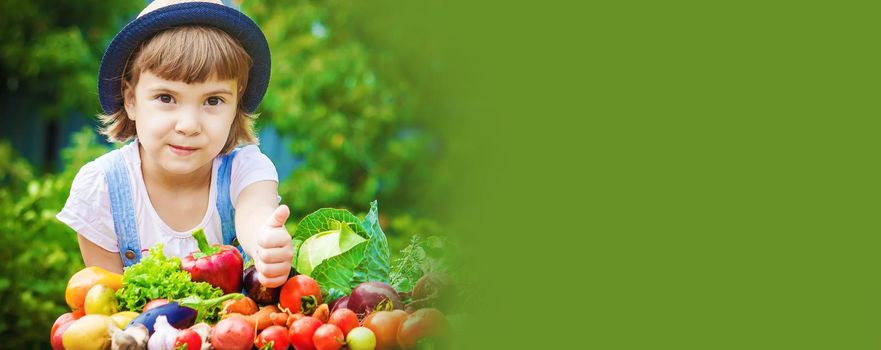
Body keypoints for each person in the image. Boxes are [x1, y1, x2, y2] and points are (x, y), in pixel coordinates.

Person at [56, 0, 293, 288]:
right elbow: (110, 307)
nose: (188, 125)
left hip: (234, 332)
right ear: (131, 100)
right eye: (166, 98)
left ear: (235, 107)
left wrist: (265, 242)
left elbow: (254, 212)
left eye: (213, 101)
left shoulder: (245, 172)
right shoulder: (103, 188)